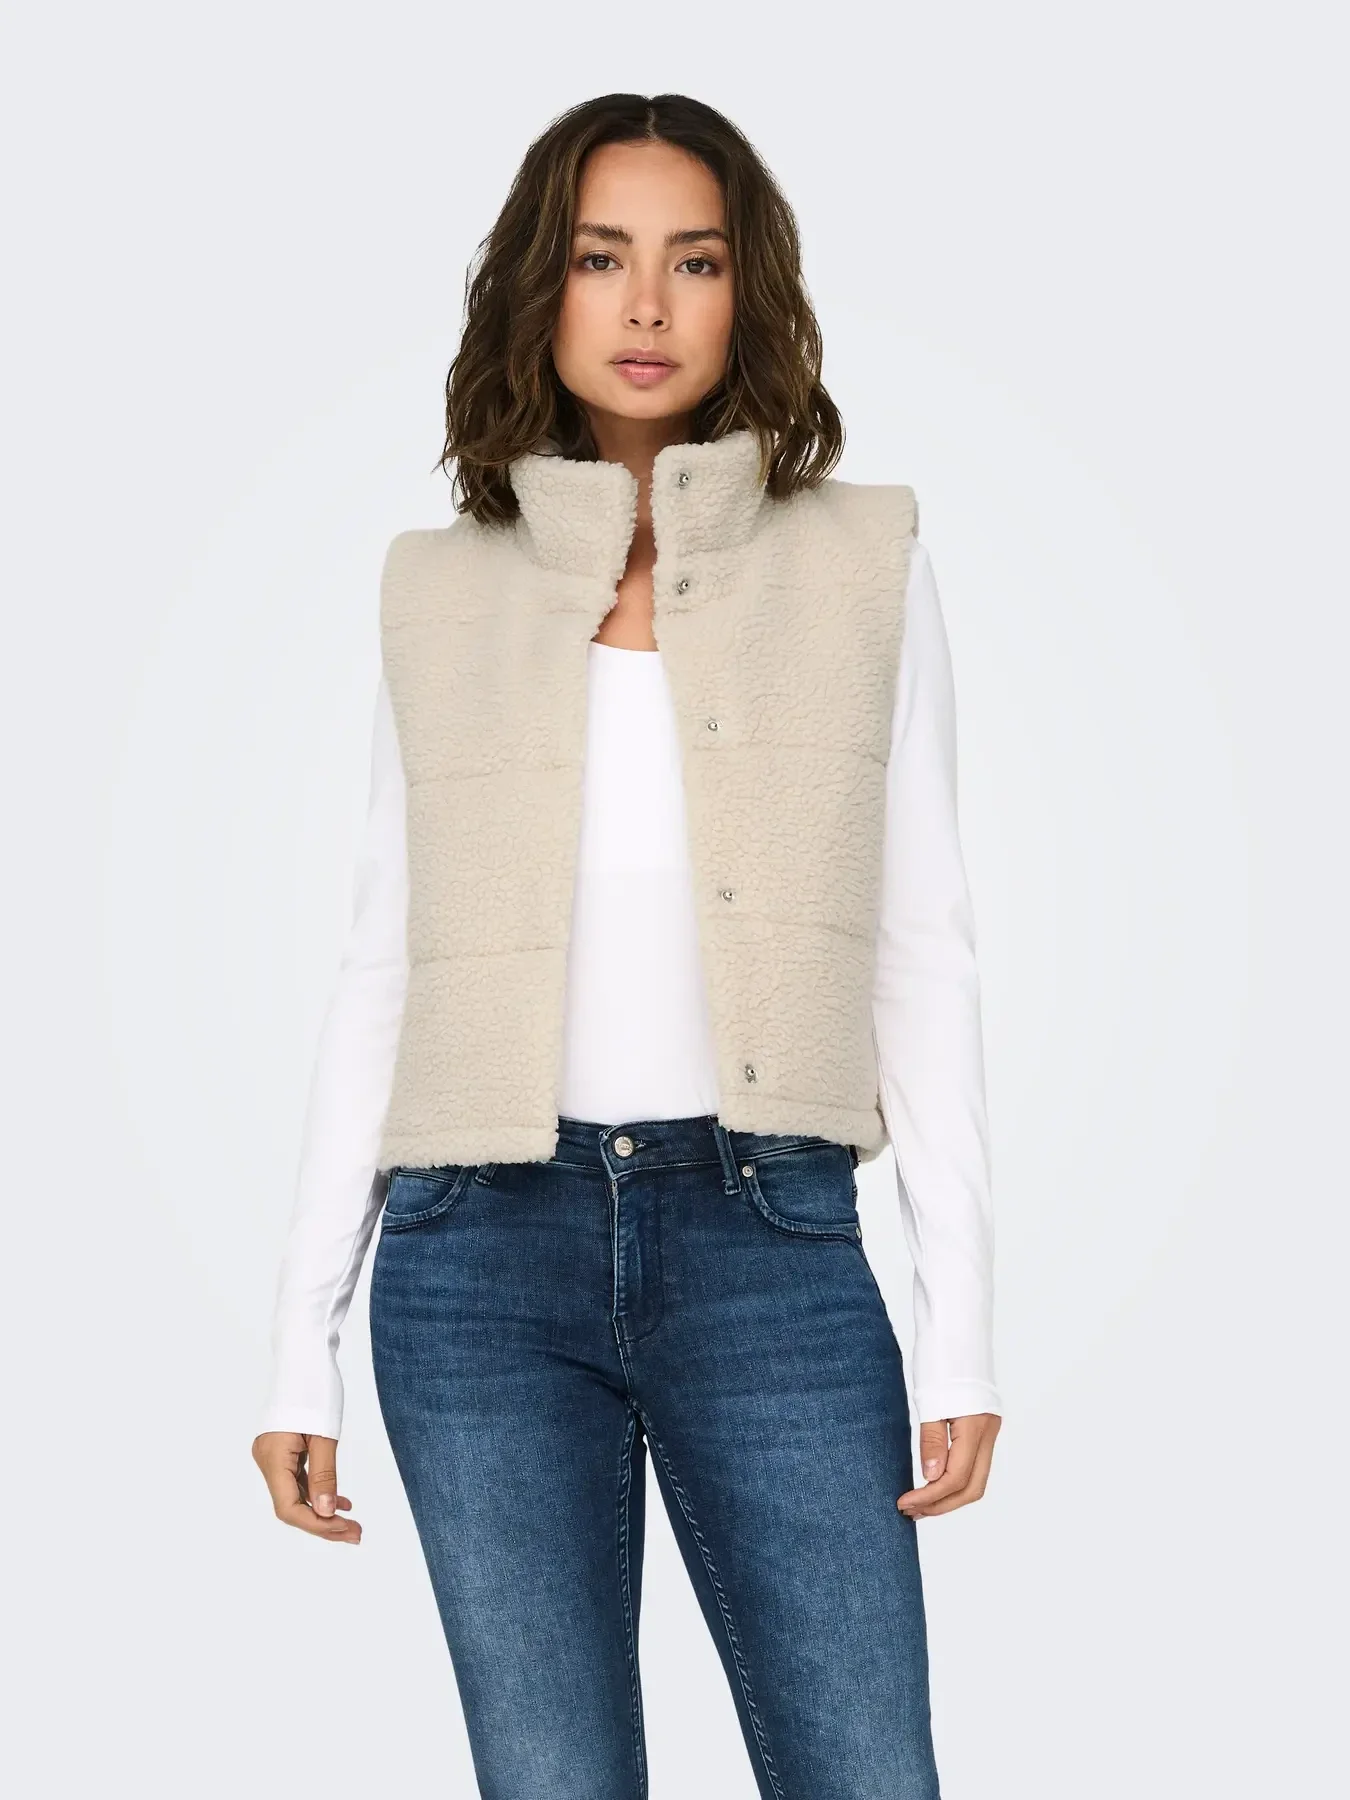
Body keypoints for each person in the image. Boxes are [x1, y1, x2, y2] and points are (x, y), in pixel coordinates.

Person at [252, 91, 1001, 1800]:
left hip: (771, 1246)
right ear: (542, 285)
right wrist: (301, 1344)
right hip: (474, 1262)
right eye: (601, 259)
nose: (647, 305)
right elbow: (384, 964)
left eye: (695, 261)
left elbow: (922, 950)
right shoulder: (441, 586)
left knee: (866, 1772)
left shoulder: (864, 562)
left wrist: (957, 1327)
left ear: (751, 294)